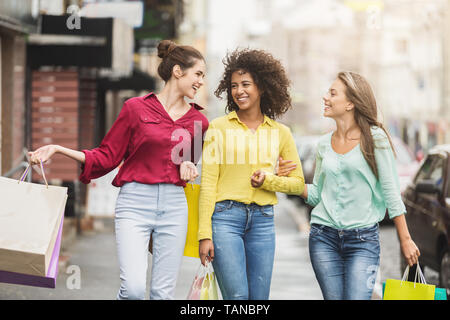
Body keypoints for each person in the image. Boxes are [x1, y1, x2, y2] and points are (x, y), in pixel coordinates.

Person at [28, 40, 209, 300]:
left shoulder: (199, 122)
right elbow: (106, 156)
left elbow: (188, 164)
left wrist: (190, 166)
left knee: (163, 294)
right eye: (198, 74)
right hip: (135, 204)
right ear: (178, 71)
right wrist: (58, 149)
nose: (201, 82)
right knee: (133, 290)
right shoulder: (135, 108)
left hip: (174, 208)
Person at [299, 71, 420, 300]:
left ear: (351, 103)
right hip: (323, 238)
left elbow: (392, 192)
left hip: (363, 241)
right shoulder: (324, 144)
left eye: (333, 93)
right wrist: (285, 182)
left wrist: (405, 239)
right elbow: (316, 194)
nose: (325, 97)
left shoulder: (375, 139)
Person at [197, 48, 305, 300]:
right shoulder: (218, 128)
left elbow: (298, 183)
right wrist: (204, 235)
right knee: (236, 297)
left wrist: (269, 180)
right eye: (234, 85)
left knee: (259, 299)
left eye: (246, 84)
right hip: (225, 219)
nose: (239, 91)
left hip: (263, 221)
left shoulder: (281, 133)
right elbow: (208, 184)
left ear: (263, 87)